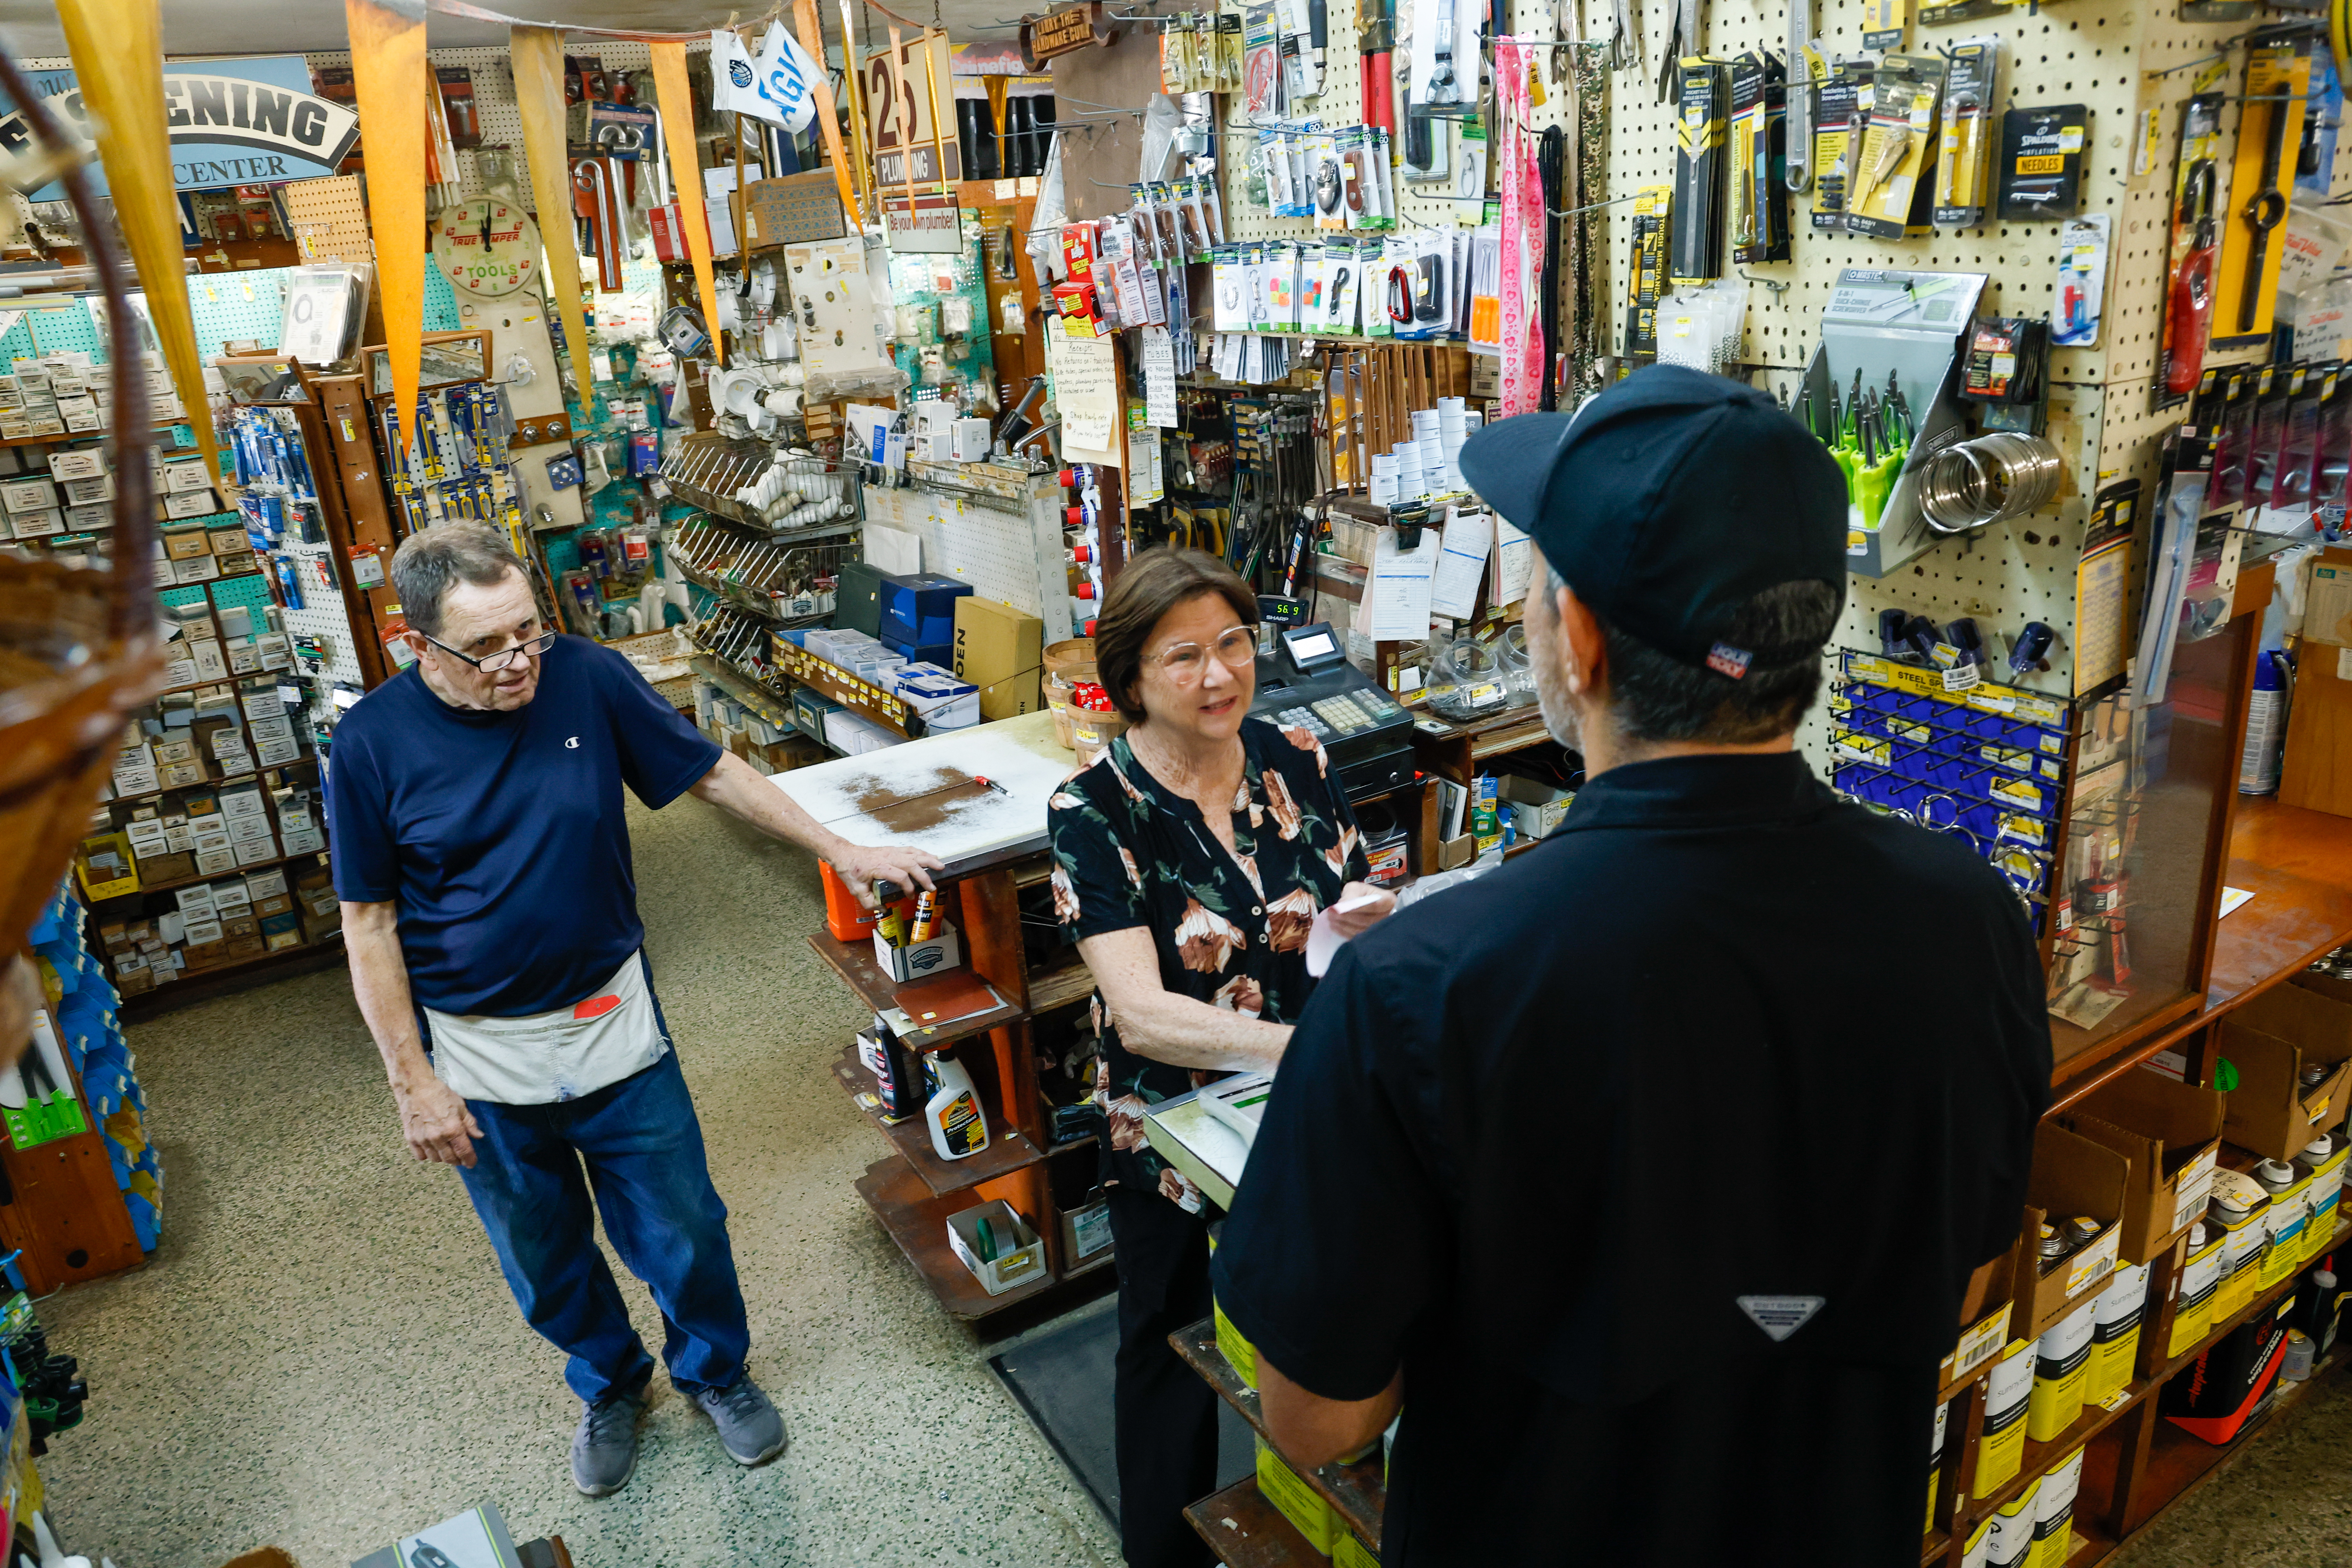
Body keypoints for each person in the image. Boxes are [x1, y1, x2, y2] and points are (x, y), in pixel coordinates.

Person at [1211, 367, 2053, 1566]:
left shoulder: (1416, 988)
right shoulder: (1969, 921)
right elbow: (1960, 1286)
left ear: (1584, 639)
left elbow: (1317, 1419)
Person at [329, 523, 942, 1498]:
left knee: (683, 1223)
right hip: (480, 1052)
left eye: (527, 630)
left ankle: (716, 1371)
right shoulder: (370, 742)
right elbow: (368, 923)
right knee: (542, 1254)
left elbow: (714, 772)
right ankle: (611, 1384)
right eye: (485, 646)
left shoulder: (587, 676)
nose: (518, 660)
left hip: (611, 1014)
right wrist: (413, 1083)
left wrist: (843, 848)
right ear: (420, 646)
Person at [1045, 548, 1394, 1568]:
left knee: (1313, 1318)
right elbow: (1143, 1016)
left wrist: (1382, 928)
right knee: (1165, 1339)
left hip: (1308, 1111)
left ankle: (1316, 1518)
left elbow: (1352, 903)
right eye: (1184, 655)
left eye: (1234, 643)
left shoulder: (1297, 756)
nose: (1219, 674)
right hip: (1163, 1123)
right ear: (1130, 678)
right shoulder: (1091, 811)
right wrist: (1308, 1048)